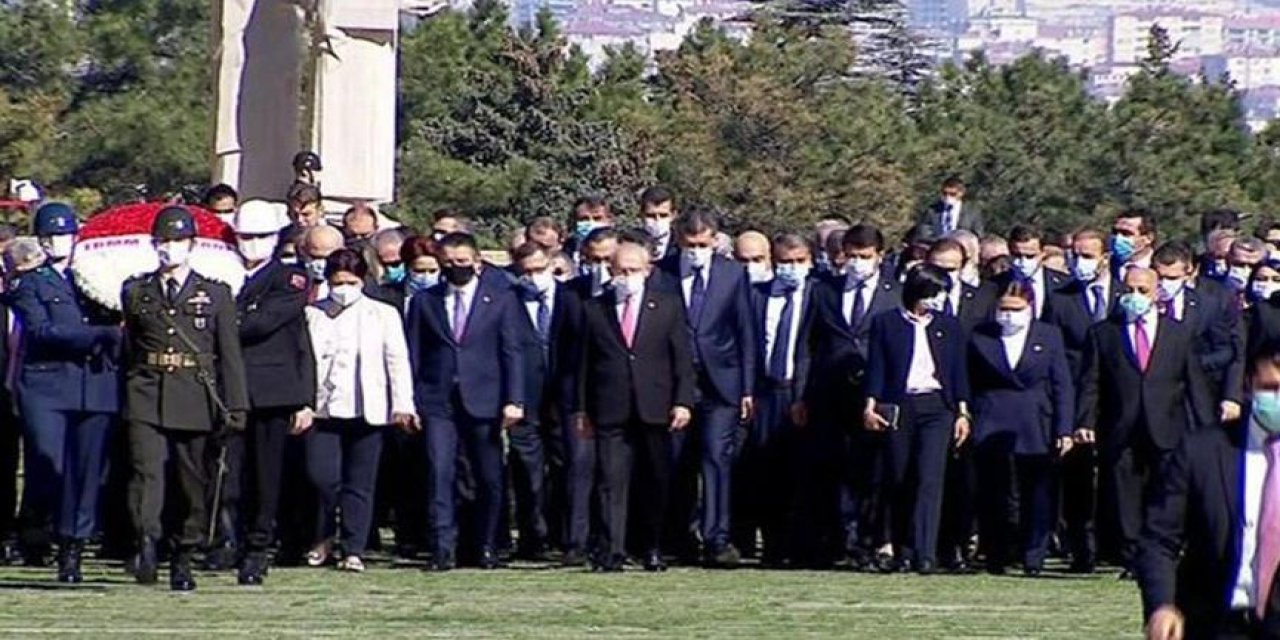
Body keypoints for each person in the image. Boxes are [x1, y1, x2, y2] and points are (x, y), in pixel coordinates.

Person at [121, 205, 249, 591]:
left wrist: (236, 404)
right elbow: (131, 347)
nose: (169, 248)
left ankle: (184, 552)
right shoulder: (137, 290)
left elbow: (229, 355)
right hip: (146, 390)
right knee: (146, 472)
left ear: (192, 244)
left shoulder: (215, 294)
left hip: (194, 393)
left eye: (177, 241)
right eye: (162, 241)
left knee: (191, 480)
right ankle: (146, 539)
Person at [1076, 266, 1215, 578]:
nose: (1134, 296)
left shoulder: (1178, 333)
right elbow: (1091, 382)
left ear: (1156, 293)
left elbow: (1194, 384)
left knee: (1165, 494)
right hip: (1121, 428)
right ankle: (1133, 557)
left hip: (1167, 427)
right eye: (1129, 290)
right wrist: (1084, 421)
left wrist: (1207, 430)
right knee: (1124, 495)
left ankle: (1162, 555)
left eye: (1142, 290)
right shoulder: (1103, 333)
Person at [9, 202, 122, 582]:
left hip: (96, 385)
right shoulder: (31, 283)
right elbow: (42, 331)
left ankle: (73, 545)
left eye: (65, 234)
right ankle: (43, 533)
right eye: (51, 236)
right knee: (51, 466)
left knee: (89, 472)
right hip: (49, 387)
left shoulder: (97, 276)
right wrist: (100, 335)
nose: (58, 241)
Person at [1137, 344, 1280, 640]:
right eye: (1271, 388)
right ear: (1248, 385)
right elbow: (1159, 538)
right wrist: (1162, 605)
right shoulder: (1200, 451)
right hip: (1215, 622)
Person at [573, 242, 694, 572]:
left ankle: (652, 547)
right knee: (610, 481)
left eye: (633, 270)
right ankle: (612, 550)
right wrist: (581, 410)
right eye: (620, 271)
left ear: (648, 270)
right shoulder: (594, 309)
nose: (626, 277)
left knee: (654, 479)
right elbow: (582, 365)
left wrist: (683, 401)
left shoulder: (668, 306)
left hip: (655, 406)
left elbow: (682, 359)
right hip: (610, 407)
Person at [407, 232, 524, 571]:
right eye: (448, 263)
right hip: (437, 400)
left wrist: (514, 399)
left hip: (485, 399)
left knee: (488, 476)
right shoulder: (425, 301)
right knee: (439, 471)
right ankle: (442, 548)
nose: (455, 268)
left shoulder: (501, 299)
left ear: (476, 262)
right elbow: (413, 353)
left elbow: (512, 351)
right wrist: (409, 400)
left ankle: (486, 545)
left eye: (462, 262)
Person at [300, 249, 415, 573]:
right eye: (338, 282)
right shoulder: (313, 313)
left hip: (368, 409)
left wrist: (403, 404)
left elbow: (397, 360)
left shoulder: (383, 314)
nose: (344, 289)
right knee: (323, 479)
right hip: (324, 411)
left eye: (351, 282)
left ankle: (354, 548)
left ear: (362, 281)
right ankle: (323, 536)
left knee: (360, 483)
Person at [656, 206, 757, 568]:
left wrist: (747, 388)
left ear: (715, 241)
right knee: (677, 460)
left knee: (716, 456)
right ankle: (680, 537)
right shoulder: (663, 272)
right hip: (676, 383)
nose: (696, 251)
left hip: (722, 382)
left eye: (702, 244)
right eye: (690, 244)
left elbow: (746, 332)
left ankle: (717, 538)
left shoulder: (733, 274)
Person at [801, 224, 901, 569]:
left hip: (875, 394)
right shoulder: (824, 290)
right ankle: (841, 540)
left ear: (880, 256)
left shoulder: (894, 294)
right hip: (830, 393)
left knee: (872, 471)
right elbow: (809, 345)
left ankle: (872, 541)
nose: (858, 262)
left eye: (865, 256)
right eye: (852, 255)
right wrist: (803, 395)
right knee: (833, 469)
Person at [863, 264, 971, 574]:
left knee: (929, 478)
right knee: (899, 477)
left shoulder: (949, 326)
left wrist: (962, 412)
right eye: (933, 292)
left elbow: (957, 371)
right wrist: (870, 406)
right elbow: (877, 367)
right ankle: (901, 550)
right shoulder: (886, 323)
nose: (937, 299)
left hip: (937, 407)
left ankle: (926, 552)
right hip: (901, 405)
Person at [229, 200, 315, 585]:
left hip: (271, 391)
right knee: (231, 475)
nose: (252, 243)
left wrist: (223, 320)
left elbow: (263, 323)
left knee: (266, 476)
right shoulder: (222, 273)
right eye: (245, 236)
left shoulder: (290, 277)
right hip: (228, 388)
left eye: (261, 236)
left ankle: (257, 547)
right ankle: (228, 540)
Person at [967, 283, 1074, 576]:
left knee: (1036, 493)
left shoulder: (1048, 336)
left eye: (1016, 309)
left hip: (1035, 421)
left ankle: (1033, 555)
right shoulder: (980, 336)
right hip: (991, 419)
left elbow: (1061, 384)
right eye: (1003, 309)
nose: (1008, 315)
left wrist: (1064, 428)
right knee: (995, 492)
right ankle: (997, 553)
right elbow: (969, 380)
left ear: (1030, 308)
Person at [1043, 228, 1118, 573]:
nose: (1079, 261)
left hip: (1119, 398)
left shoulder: (1126, 293)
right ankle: (1081, 550)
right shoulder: (1061, 299)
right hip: (1075, 396)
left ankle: (1116, 546)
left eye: (1087, 255)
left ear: (1105, 257)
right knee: (1077, 478)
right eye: (1075, 254)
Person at [737, 233, 814, 566]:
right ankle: (771, 545)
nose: (792, 268)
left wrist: (803, 395)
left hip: (803, 394)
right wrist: (747, 390)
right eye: (785, 262)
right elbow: (749, 346)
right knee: (765, 468)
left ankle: (800, 545)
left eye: (799, 262)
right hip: (766, 392)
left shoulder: (818, 294)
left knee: (802, 471)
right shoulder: (758, 296)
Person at [508, 242, 583, 561]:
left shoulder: (572, 299)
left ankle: (567, 537)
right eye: (526, 271)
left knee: (568, 466)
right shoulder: (509, 301)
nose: (533, 277)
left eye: (539, 269)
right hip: (524, 398)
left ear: (552, 264)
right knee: (527, 470)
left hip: (564, 399)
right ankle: (532, 537)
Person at [1150, 241, 1243, 422]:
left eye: (1172, 278)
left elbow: (1225, 350)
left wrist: (1189, 365)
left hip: (1193, 399)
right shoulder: (1136, 303)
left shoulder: (1209, 305)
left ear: (1189, 273)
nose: (1164, 284)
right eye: (1159, 277)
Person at [990, 225, 1069, 321]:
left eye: (1030, 256)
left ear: (1043, 253)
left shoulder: (1065, 284)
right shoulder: (992, 286)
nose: (1023, 262)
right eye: (1017, 255)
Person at [919, 176, 984, 236]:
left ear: (961, 193)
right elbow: (924, 233)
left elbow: (977, 234)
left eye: (952, 194)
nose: (948, 197)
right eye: (944, 193)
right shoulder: (932, 211)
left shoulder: (972, 212)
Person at [564, 195, 614, 263]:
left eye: (597, 218)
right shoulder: (566, 249)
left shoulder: (620, 248)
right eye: (584, 219)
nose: (591, 222)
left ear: (609, 220)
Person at [1110, 210, 1158, 278]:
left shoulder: (1161, 268)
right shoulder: (1107, 265)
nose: (1118, 238)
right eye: (1115, 232)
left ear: (1148, 238)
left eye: (1126, 233)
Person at [640, 186, 679, 262]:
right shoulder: (630, 243)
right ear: (642, 215)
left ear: (673, 215)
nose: (657, 220)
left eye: (663, 215)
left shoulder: (681, 244)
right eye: (651, 215)